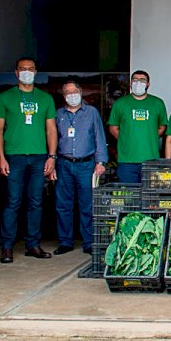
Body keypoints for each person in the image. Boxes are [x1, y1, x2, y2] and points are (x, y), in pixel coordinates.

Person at [0, 57, 58, 263]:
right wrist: (1, 159)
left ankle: (33, 244)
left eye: (30, 69)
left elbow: (51, 129)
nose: (27, 72)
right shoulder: (5, 98)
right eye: (23, 69)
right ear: (16, 72)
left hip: (39, 157)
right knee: (12, 201)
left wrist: (52, 156)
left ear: (36, 72)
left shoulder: (45, 98)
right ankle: (7, 246)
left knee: (36, 202)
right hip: (14, 157)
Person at [51, 81, 108, 255]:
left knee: (87, 204)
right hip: (64, 163)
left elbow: (99, 136)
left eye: (74, 91)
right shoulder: (58, 114)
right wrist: (51, 161)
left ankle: (89, 242)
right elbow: (52, 139)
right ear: (63, 95)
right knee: (63, 205)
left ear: (81, 92)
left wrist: (101, 162)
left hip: (86, 164)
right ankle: (65, 241)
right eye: (67, 92)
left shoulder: (91, 113)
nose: (72, 95)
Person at [108, 70, 167, 182]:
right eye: (135, 80)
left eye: (142, 80)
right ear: (130, 83)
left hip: (151, 159)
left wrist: (150, 137)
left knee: (149, 196)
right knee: (129, 196)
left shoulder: (157, 103)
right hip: (127, 161)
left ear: (148, 84)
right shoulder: (120, 103)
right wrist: (126, 138)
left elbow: (162, 126)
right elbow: (113, 128)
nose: (138, 82)